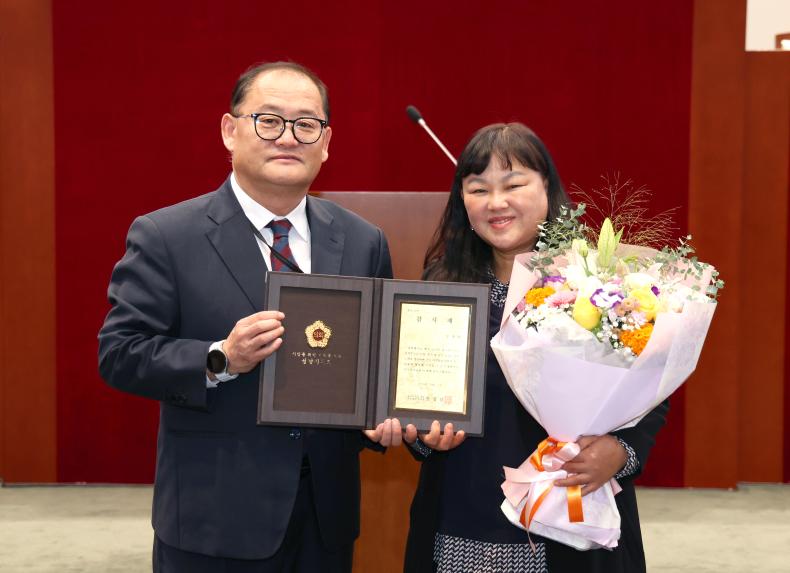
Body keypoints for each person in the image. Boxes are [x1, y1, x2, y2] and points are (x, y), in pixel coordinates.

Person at [98, 61, 407, 573]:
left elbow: (374, 364)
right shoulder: (166, 235)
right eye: (269, 119)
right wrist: (220, 358)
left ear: (326, 142)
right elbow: (120, 353)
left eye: (307, 124)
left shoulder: (362, 240)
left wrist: (385, 418)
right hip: (214, 519)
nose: (288, 136)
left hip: (324, 520)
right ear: (230, 130)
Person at [403, 123, 669, 573]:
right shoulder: (441, 285)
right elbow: (418, 389)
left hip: (570, 507)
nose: (496, 202)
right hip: (461, 510)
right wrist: (423, 437)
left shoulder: (597, 281)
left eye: (514, 184)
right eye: (478, 188)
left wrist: (621, 451)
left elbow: (653, 383)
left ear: (547, 187)